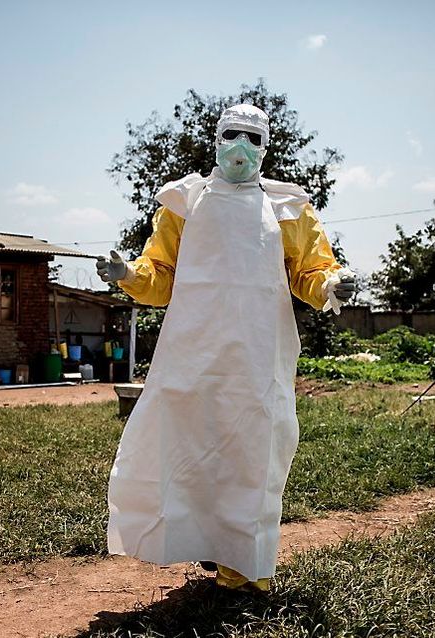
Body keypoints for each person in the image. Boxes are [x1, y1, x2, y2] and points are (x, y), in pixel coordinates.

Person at [98, 104, 355, 592]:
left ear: (266, 146)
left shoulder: (289, 208)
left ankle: (245, 566)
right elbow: (161, 276)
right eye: (233, 134)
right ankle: (196, 543)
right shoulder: (184, 202)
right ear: (216, 139)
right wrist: (128, 275)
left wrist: (332, 288)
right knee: (188, 445)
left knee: (253, 452)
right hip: (193, 352)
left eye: (253, 138)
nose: (242, 146)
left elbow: (311, 273)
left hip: (258, 356)